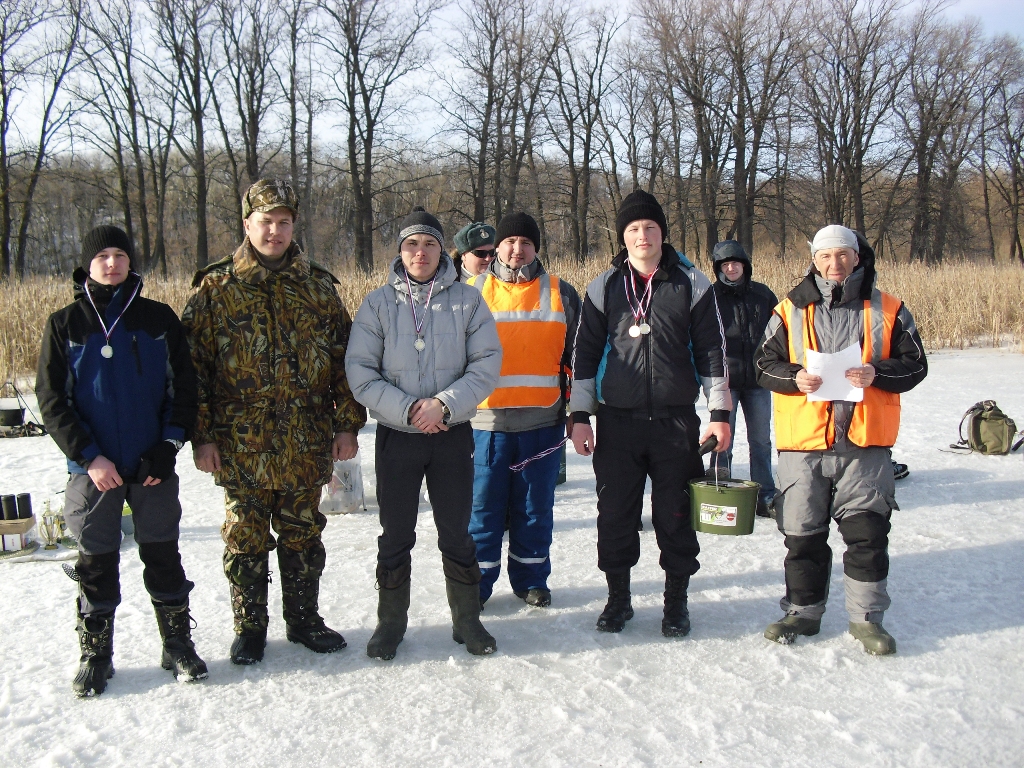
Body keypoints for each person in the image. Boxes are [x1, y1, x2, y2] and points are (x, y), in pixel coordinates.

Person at [182, 180, 366, 665]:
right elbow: (192, 369)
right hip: (240, 441)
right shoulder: (216, 288)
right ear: (247, 225)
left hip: (305, 437)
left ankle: (304, 620)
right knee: (245, 535)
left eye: (284, 222)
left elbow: (346, 361)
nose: (275, 231)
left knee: (303, 532)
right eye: (265, 222)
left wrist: (346, 426)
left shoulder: (318, 287)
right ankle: (250, 628)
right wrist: (201, 436)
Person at [37, 225, 206, 696]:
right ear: (87, 264)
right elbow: (53, 402)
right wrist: (89, 458)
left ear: (132, 262)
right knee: (96, 561)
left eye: (119, 255)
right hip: (94, 471)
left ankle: (177, 644)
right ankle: (96, 655)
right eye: (102, 256)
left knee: (162, 553)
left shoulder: (158, 319)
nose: (111, 263)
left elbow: (184, 390)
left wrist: (167, 447)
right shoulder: (64, 324)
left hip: (151, 466)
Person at [755, 224, 927, 655]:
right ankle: (803, 612)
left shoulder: (889, 308)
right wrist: (794, 377)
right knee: (801, 536)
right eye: (825, 257)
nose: (835, 265)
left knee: (867, 535)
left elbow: (916, 365)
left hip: (865, 444)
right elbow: (761, 364)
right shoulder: (788, 309)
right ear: (814, 260)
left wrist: (877, 373)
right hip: (803, 444)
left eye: (843, 255)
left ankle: (867, 621)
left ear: (857, 257)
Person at [569, 190, 732, 637]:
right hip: (617, 422)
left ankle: (675, 603)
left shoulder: (692, 283)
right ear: (624, 237)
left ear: (663, 232)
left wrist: (720, 412)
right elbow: (583, 356)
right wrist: (580, 415)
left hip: (675, 422)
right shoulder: (603, 286)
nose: (643, 236)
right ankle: (618, 599)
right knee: (615, 514)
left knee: (674, 515)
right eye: (634, 229)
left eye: (650, 227)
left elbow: (713, 353)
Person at [345, 206, 503, 660]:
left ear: (442, 251)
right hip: (398, 437)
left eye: (429, 243)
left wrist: (444, 405)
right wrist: (412, 409)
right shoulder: (377, 303)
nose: (421, 252)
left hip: (452, 435)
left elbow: (486, 363)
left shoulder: (468, 300)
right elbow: (360, 372)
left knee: (456, 531)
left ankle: (467, 620)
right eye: (412, 244)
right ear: (400, 251)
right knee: (396, 534)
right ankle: (390, 624)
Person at [465, 212, 581, 608]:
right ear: (496, 246)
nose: (517, 250)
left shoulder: (561, 292)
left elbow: (576, 359)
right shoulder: (472, 291)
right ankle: (475, 585)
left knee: (534, 509)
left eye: (526, 243)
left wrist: (576, 411)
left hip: (541, 423)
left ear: (537, 248)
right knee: (483, 509)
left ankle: (531, 579)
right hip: (484, 424)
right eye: (510, 241)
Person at [710, 240, 779, 514]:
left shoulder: (763, 295)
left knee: (760, 440)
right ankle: (718, 488)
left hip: (759, 380)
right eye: (725, 265)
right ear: (719, 269)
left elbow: (779, 332)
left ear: (744, 265)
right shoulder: (710, 296)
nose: (731, 268)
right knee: (722, 438)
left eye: (735, 263)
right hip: (725, 380)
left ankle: (765, 495)